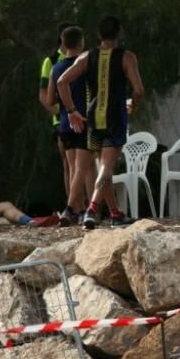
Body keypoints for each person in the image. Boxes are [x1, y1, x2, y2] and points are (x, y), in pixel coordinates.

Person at [56, 15, 145, 229]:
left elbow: (61, 82)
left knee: (97, 166)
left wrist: (71, 111)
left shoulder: (87, 57)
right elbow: (139, 90)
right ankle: (92, 209)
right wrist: (133, 104)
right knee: (106, 167)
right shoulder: (127, 57)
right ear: (119, 34)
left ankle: (113, 212)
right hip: (115, 119)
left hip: (93, 118)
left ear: (98, 35)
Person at [46, 25, 93, 225]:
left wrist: (65, 105)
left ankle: (80, 210)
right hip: (82, 120)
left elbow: (49, 100)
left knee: (74, 168)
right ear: (81, 42)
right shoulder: (85, 64)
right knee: (82, 168)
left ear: (63, 44)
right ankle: (69, 208)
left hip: (64, 124)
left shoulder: (56, 67)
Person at [39, 22, 76, 203]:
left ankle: (89, 207)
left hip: (84, 118)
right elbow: (43, 94)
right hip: (62, 121)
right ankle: (73, 206)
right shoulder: (52, 61)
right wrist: (60, 112)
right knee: (69, 164)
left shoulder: (83, 58)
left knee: (86, 164)